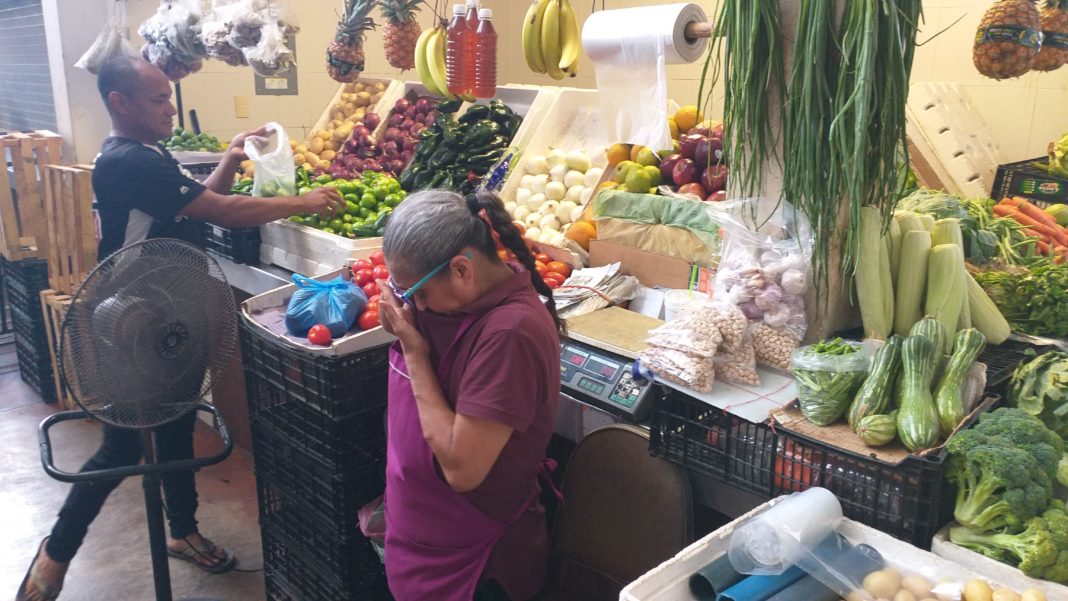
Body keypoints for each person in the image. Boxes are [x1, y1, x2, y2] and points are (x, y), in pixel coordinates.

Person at [16, 55, 343, 601]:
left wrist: (231, 159)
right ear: (120, 103)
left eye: (169, 98)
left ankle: (183, 532)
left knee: (176, 425)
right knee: (121, 448)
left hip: (169, 314)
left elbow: (192, 206)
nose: (170, 109)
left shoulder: (147, 153)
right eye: (158, 100)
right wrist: (303, 203)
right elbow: (223, 212)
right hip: (131, 321)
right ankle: (56, 555)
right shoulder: (128, 160)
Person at [376, 189, 564, 601]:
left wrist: (415, 353)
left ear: (461, 269)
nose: (417, 306)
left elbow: (463, 470)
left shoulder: (509, 334)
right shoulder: (456, 303)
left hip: (475, 561)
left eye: (418, 293)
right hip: (420, 535)